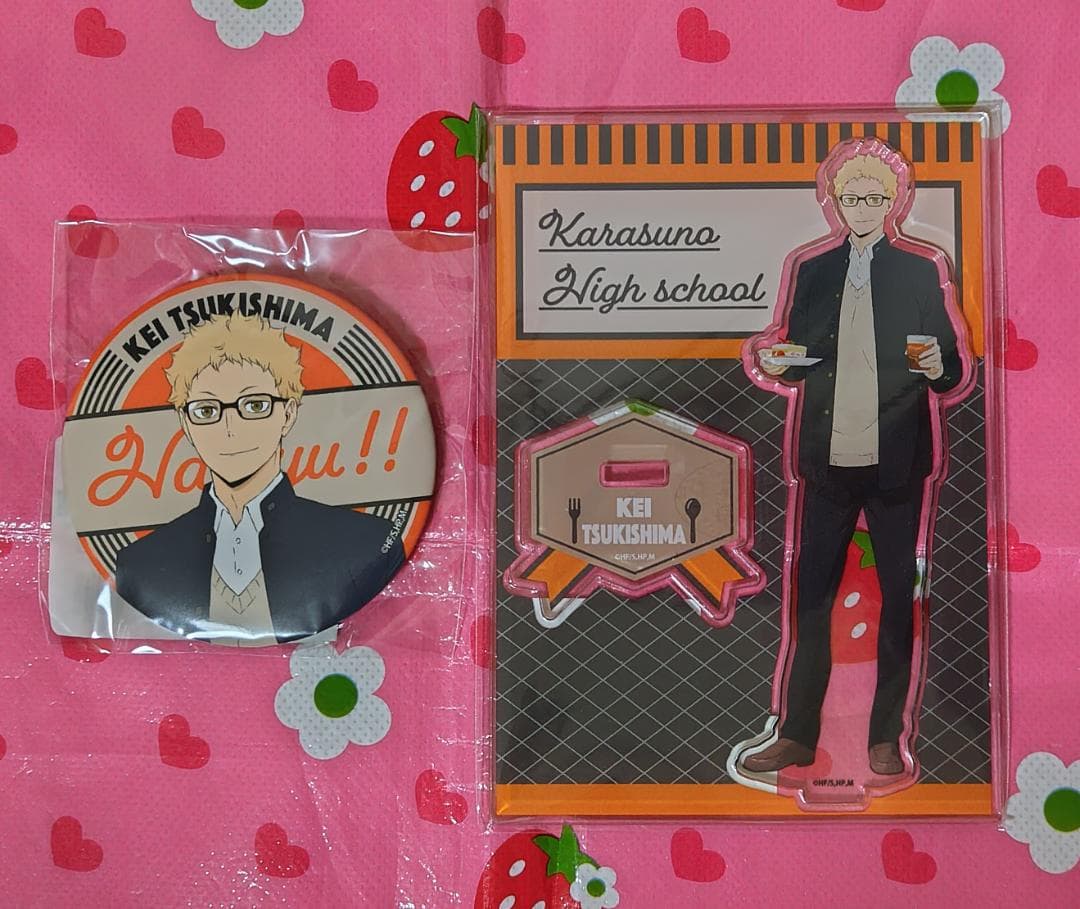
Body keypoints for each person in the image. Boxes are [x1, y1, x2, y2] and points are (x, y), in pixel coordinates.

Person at [741, 139, 969, 776]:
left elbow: (952, 371)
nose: (863, 206)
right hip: (825, 460)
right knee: (809, 597)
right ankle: (796, 735)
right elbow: (803, 356)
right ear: (835, 201)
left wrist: (938, 364)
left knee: (898, 597)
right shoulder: (813, 271)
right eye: (852, 197)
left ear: (894, 200)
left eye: (874, 196)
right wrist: (776, 362)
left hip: (897, 461)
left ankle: (886, 737)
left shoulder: (920, 272)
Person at [115, 313, 404, 645]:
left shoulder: (369, 542)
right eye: (206, 410)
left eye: (254, 406)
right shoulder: (139, 564)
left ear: (288, 413)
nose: (230, 429)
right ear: (185, 423)